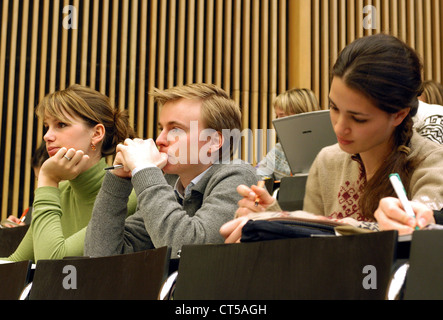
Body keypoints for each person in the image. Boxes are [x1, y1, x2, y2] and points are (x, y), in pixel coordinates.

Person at [221, 34, 443, 242]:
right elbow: (313, 245)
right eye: (334, 108)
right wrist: (275, 217)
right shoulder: (328, 160)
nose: (340, 127)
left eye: (358, 118)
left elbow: (414, 239)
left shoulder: (432, 162)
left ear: (399, 115)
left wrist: (292, 220)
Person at [84, 83, 258, 258]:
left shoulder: (238, 175)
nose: (159, 139)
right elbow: (99, 256)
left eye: (175, 130)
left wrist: (145, 170)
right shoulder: (169, 182)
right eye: (161, 129)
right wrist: (119, 179)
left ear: (213, 142)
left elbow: (189, 251)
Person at [1, 84, 137, 262]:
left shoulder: (127, 194)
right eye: (47, 126)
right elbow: (16, 262)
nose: (47, 136)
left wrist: (48, 180)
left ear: (97, 133)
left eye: (61, 125)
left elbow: (54, 265)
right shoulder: (61, 190)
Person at [256, 88, 320, 180]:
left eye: (282, 116)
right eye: (276, 116)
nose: (276, 122)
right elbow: (258, 176)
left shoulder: (331, 148)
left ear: (302, 114)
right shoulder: (279, 150)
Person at [2, 141, 49, 228]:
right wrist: (16, 229)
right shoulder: (31, 213)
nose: (40, 188)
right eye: (38, 180)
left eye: (49, 181)